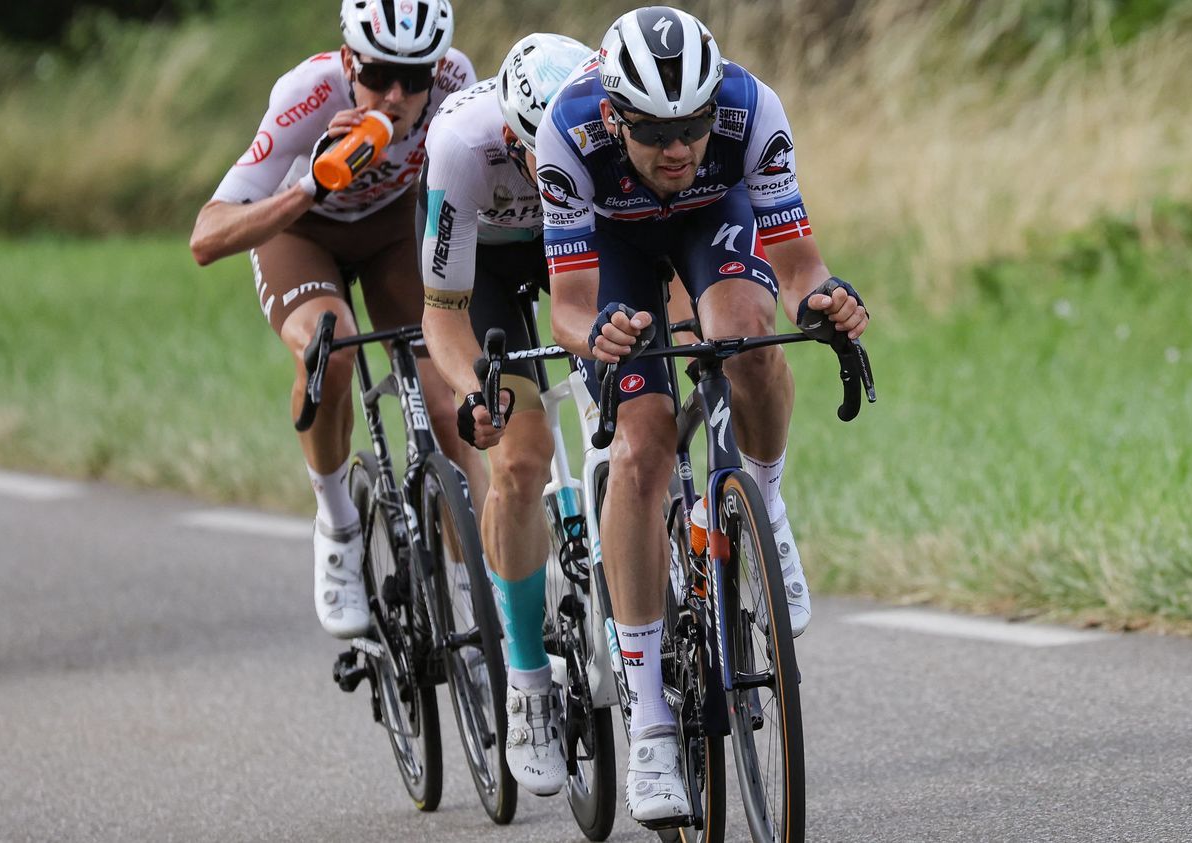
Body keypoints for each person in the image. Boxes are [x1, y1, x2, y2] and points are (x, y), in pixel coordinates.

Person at [534, 6, 870, 826]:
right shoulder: (568, 134)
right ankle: (649, 718)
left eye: (690, 125)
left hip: (709, 228)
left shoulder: (751, 110)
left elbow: (797, 266)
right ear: (617, 116)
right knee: (644, 450)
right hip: (612, 252)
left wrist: (822, 297)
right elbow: (568, 309)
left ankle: (763, 501)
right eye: (655, 131)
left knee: (749, 338)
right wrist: (600, 336)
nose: (680, 146)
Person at [188, 0, 483, 639]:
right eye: (377, 75)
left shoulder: (458, 81)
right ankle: (338, 524)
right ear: (348, 61)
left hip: (390, 235)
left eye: (415, 77)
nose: (397, 95)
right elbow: (206, 238)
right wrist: (309, 186)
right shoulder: (307, 95)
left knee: (448, 401)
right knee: (333, 348)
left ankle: (476, 587)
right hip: (300, 230)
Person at [418, 32, 593, 798]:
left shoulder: (602, 124)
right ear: (510, 133)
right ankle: (527, 678)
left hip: (574, 246)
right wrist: (472, 391)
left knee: (631, 405)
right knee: (519, 460)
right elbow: (443, 314)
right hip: (486, 263)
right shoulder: (462, 144)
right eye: (536, 148)